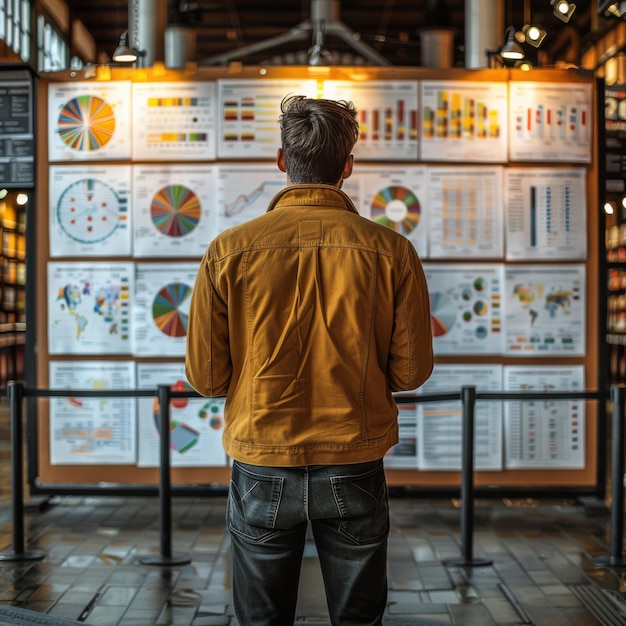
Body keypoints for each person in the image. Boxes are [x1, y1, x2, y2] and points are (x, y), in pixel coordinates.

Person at [185, 95, 433, 626]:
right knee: (359, 618)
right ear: (348, 165)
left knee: (261, 619)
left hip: (262, 455)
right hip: (354, 455)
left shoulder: (228, 251)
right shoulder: (392, 251)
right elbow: (412, 373)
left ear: (282, 162)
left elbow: (206, 379)